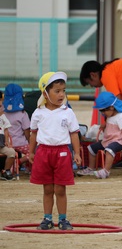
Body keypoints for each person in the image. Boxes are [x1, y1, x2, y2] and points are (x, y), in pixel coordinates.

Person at [29, 72, 82, 230]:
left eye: (63, 90)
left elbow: (74, 134)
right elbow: (33, 134)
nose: (61, 94)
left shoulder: (67, 112)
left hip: (62, 153)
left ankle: (63, 220)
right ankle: (47, 219)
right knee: (47, 188)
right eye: (57, 91)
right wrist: (31, 152)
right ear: (45, 93)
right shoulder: (38, 113)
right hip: (43, 153)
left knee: (60, 188)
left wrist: (77, 153)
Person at [76, 91, 122, 179]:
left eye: (103, 110)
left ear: (111, 107)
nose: (102, 112)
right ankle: (91, 168)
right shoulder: (109, 116)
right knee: (91, 148)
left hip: (119, 141)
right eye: (100, 110)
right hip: (107, 140)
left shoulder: (121, 117)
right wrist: (104, 124)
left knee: (109, 149)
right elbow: (109, 122)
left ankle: (106, 171)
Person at [3, 83, 31, 171]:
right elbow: (27, 131)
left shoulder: (2, 112)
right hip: (20, 143)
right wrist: (30, 142)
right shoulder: (22, 113)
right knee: (35, 151)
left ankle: (11, 167)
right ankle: (19, 162)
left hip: (5, 144)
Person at [0, 98, 16, 181]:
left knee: (11, 152)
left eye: (1, 106)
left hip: (1, 144)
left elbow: (6, 130)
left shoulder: (3, 117)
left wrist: (7, 141)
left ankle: (6, 171)